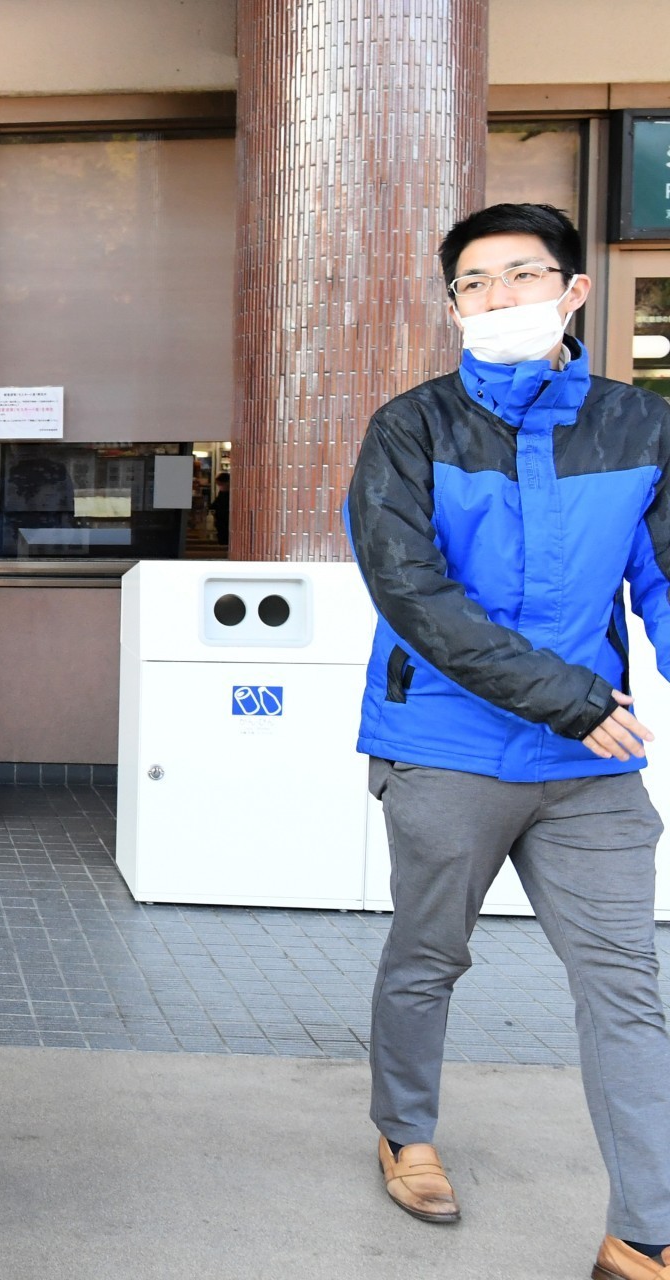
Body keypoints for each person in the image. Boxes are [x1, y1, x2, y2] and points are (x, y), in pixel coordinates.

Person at [346, 202, 670, 1280]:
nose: (496, 300)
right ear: (452, 307)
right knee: (430, 954)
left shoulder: (639, 425)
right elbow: (414, 595)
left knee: (626, 983)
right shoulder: (412, 426)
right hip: (446, 742)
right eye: (472, 285)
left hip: (589, 766)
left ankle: (648, 1231)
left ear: (574, 290)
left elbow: (663, 579)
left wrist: (595, 701)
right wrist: (568, 696)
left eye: (520, 276)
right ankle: (405, 1126)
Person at [211, 471, 231, 545]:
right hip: (221, 522)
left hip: (225, 522)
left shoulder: (228, 495)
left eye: (220, 484)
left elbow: (217, 505)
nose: (219, 487)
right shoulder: (223, 493)